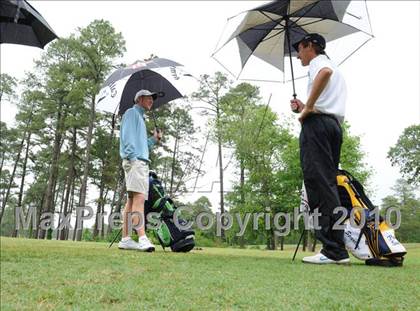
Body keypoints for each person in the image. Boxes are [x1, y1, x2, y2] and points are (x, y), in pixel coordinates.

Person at [290, 33, 350, 264]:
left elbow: (325, 74)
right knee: (328, 183)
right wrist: (304, 106)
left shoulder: (320, 63)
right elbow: (323, 102)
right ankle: (335, 247)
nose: (298, 55)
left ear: (310, 46)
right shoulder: (331, 65)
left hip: (318, 127)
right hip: (333, 126)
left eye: (299, 49)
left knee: (318, 183)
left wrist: (308, 108)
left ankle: (333, 250)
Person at [118, 89, 163, 251]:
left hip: (139, 161)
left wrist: (154, 140)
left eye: (153, 98)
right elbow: (128, 139)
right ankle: (143, 238)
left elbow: (143, 145)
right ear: (139, 99)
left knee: (131, 201)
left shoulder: (140, 118)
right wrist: (132, 158)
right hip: (136, 162)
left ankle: (126, 239)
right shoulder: (131, 113)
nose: (152, 100)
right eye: (148, 97)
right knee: (139, 198)